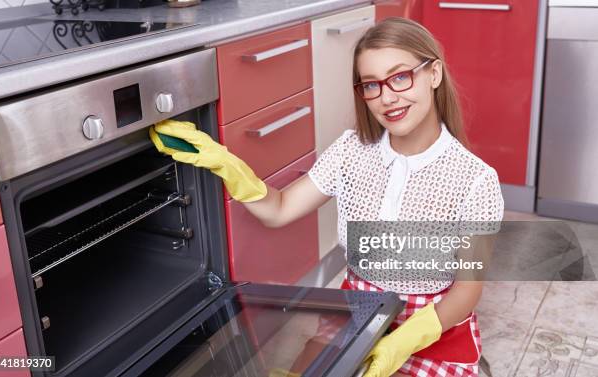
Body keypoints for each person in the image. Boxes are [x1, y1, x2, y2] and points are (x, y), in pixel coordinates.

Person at [150, 17, 504, 377]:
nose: (387, 98)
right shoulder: (351, 151)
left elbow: (466, 293)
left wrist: (403, 340)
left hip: (431, 334)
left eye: (400, 77)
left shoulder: (475, 180)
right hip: (355, 315)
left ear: (434, 74)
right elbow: (279, 209)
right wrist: (226, 165)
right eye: (371, 85)